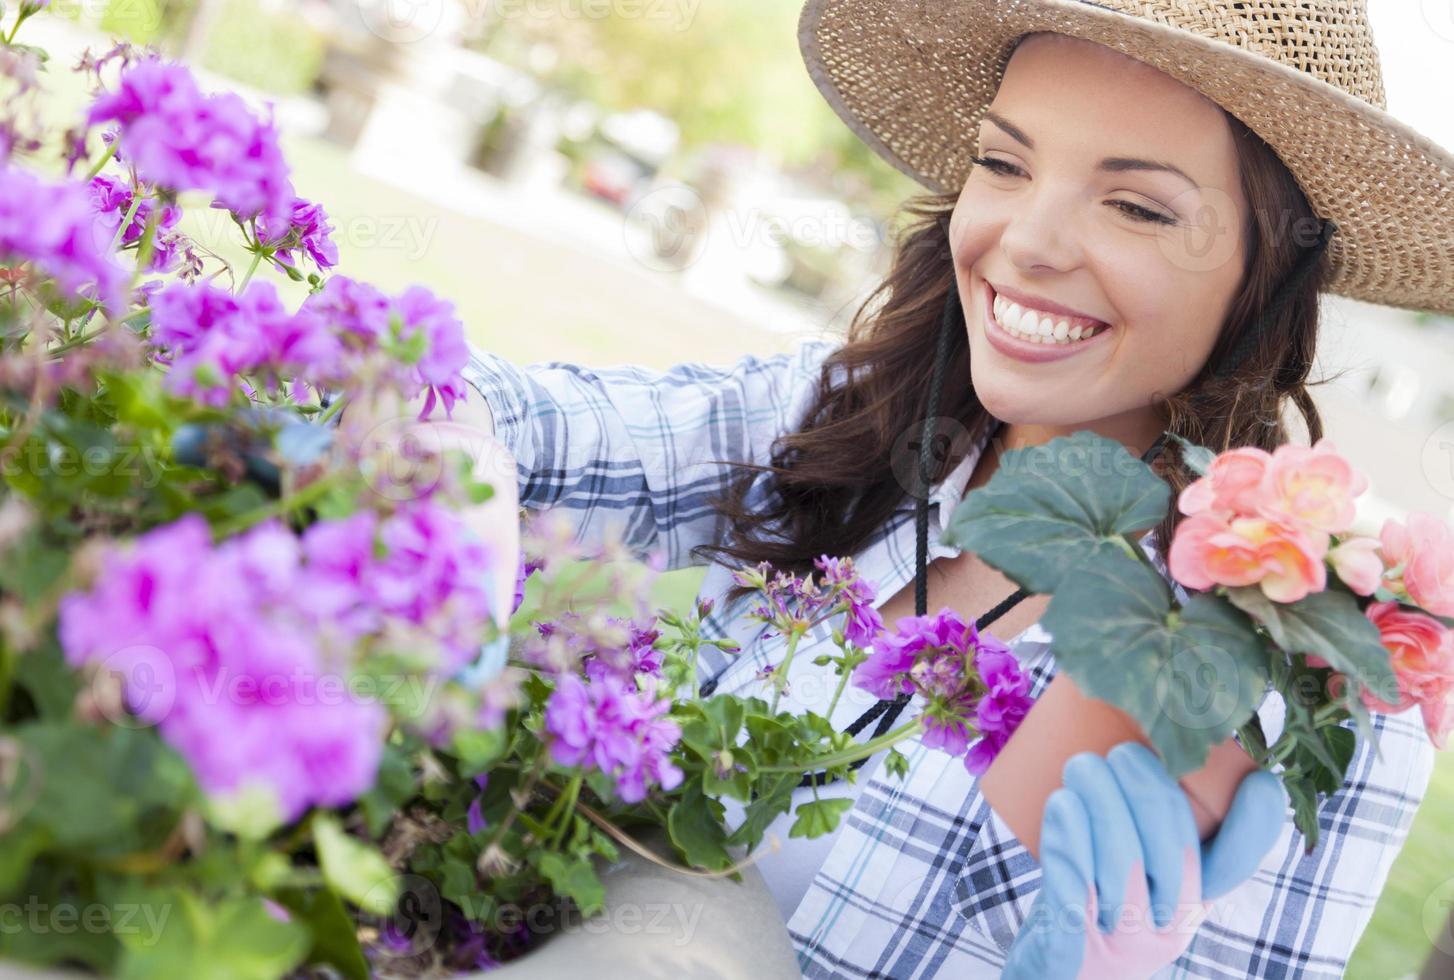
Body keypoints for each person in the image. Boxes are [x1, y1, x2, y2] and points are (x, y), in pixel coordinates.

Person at [394, 1, 1454, 975]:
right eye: (1003, 162)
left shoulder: (1310, 676)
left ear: (1262, 275)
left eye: (1134, 206)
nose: (1025, 243)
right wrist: (464, 501)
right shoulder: (839, 421)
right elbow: (467, 398)